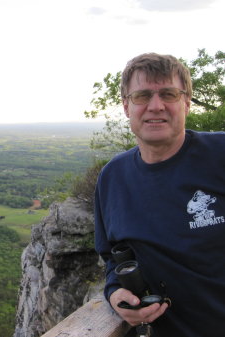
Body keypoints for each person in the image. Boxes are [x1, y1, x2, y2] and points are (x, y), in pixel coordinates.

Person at [94, 52, 225, 337]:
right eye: (142, 96)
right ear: (127, 106)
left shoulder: (220, 155)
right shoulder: (112, 178)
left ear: (187, 103)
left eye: (168, 94)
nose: (156, 106)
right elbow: (112, 261)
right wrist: (115, 293)